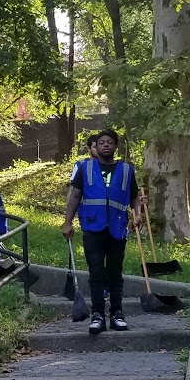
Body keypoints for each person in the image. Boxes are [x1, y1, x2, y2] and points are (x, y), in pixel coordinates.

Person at [62, 128, 143, 334]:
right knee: (96, 272)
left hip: (117, 228)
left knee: (115, 273)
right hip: (92, 226)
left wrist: (137, 215)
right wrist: (67, 222)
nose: (105, 145)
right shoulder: (85, 168)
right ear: (95, 147)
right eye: (101, 142)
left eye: (110, 142)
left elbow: (134, 196)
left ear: (115, 146)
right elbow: (75, 195)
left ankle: (117, 313)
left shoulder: (126, 170)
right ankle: (98, 314)